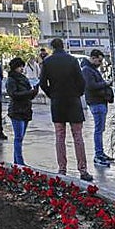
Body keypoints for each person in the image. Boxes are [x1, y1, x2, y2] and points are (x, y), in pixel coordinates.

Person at [38, 38, 92, 182]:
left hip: (57, 102)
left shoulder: (47, 62)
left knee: (60, 136)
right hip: (73, 101)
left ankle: (62, 168)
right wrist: (77, 93)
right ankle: (83, 170)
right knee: (78, 136)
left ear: (52, 48)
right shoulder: (72, 60)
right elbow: (81, 81)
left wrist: (52, 94)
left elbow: (42, 82)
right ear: (64, 46)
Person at [81, 50, 115, 166]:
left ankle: (101, 153)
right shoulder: (87, 70)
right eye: (99, 60)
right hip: (96, 102)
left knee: (100, 129)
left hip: (100, 102)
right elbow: (91, 86)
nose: (100, 63)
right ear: (93, 58)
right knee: (98, 130)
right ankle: (98, 155)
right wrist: (107, 83)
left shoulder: (91, 69)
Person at [5, 58, 38, 166]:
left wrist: (34, 91)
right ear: (15, 67)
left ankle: (16, 161)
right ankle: (19, 162)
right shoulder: (11, 80)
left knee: (21, 137)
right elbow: (13, 94)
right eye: (20, 67)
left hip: (26, 110)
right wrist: (28, 93)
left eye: (22, 66)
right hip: (16, 111)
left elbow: (30, 95)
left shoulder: (24, 79)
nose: (22, 69)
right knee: (18, 137)